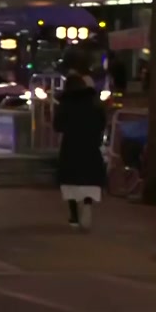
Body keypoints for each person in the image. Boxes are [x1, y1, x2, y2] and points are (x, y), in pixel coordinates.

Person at [53, 71, 107, 232]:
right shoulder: (94, 103)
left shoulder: (66, 103)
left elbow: (58, 125)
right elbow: (102, 122)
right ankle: (88, 204)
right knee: (90, 179)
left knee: (70, 183)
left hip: (71, 146)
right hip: (90, 146)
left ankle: (74, 216)